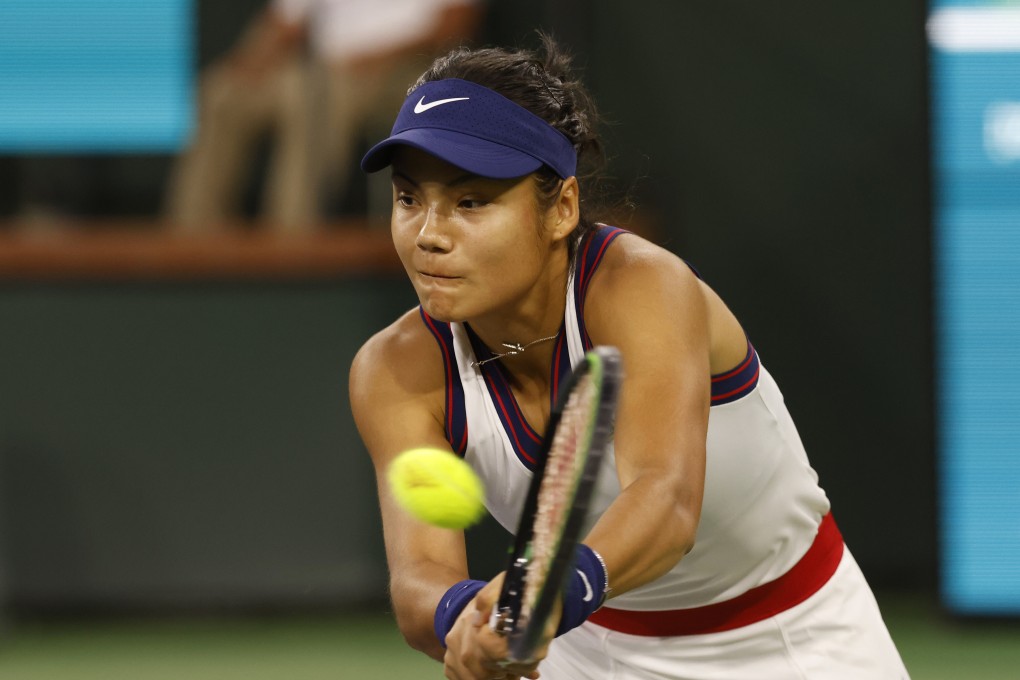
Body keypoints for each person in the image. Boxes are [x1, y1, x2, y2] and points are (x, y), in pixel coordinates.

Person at [349, 35, 910, 680]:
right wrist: (466, 620)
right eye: (408, 198)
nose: (429, 234)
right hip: (584, 650)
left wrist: (538, 599)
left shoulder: (644, 288)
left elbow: (667, 504)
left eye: (471, 201)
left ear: (560, 208)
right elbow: (420, 576)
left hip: (794, 637)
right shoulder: (393, 369)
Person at [164, 0, 481, 233]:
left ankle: (290, 235)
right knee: (223, 93)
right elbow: (285, 22)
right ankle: (192, 234)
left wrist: (377, 58)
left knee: (318, 96)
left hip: (404, 72)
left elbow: (452, 28)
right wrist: (251, 62)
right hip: (319, 73)